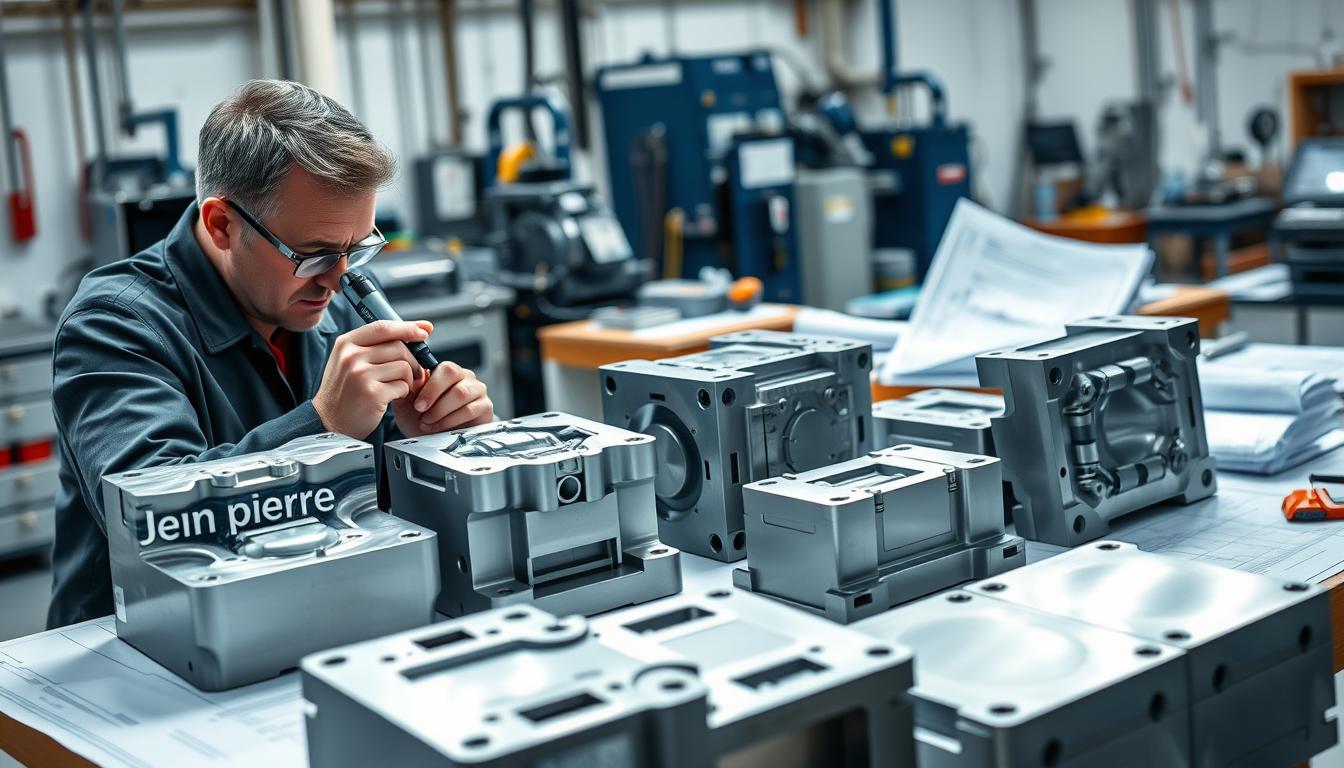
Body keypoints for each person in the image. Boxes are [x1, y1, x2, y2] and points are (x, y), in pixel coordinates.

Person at [47, 79, 493, 627]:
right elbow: (151, 526)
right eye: (314, 254)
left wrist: (438, 448)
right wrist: (323, 427)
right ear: (222, 225)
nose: (339, 279)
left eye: (358, 248)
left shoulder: (331, 292)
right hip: (140, 653)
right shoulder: (115, 325)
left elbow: (377, 510)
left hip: (307, 617)